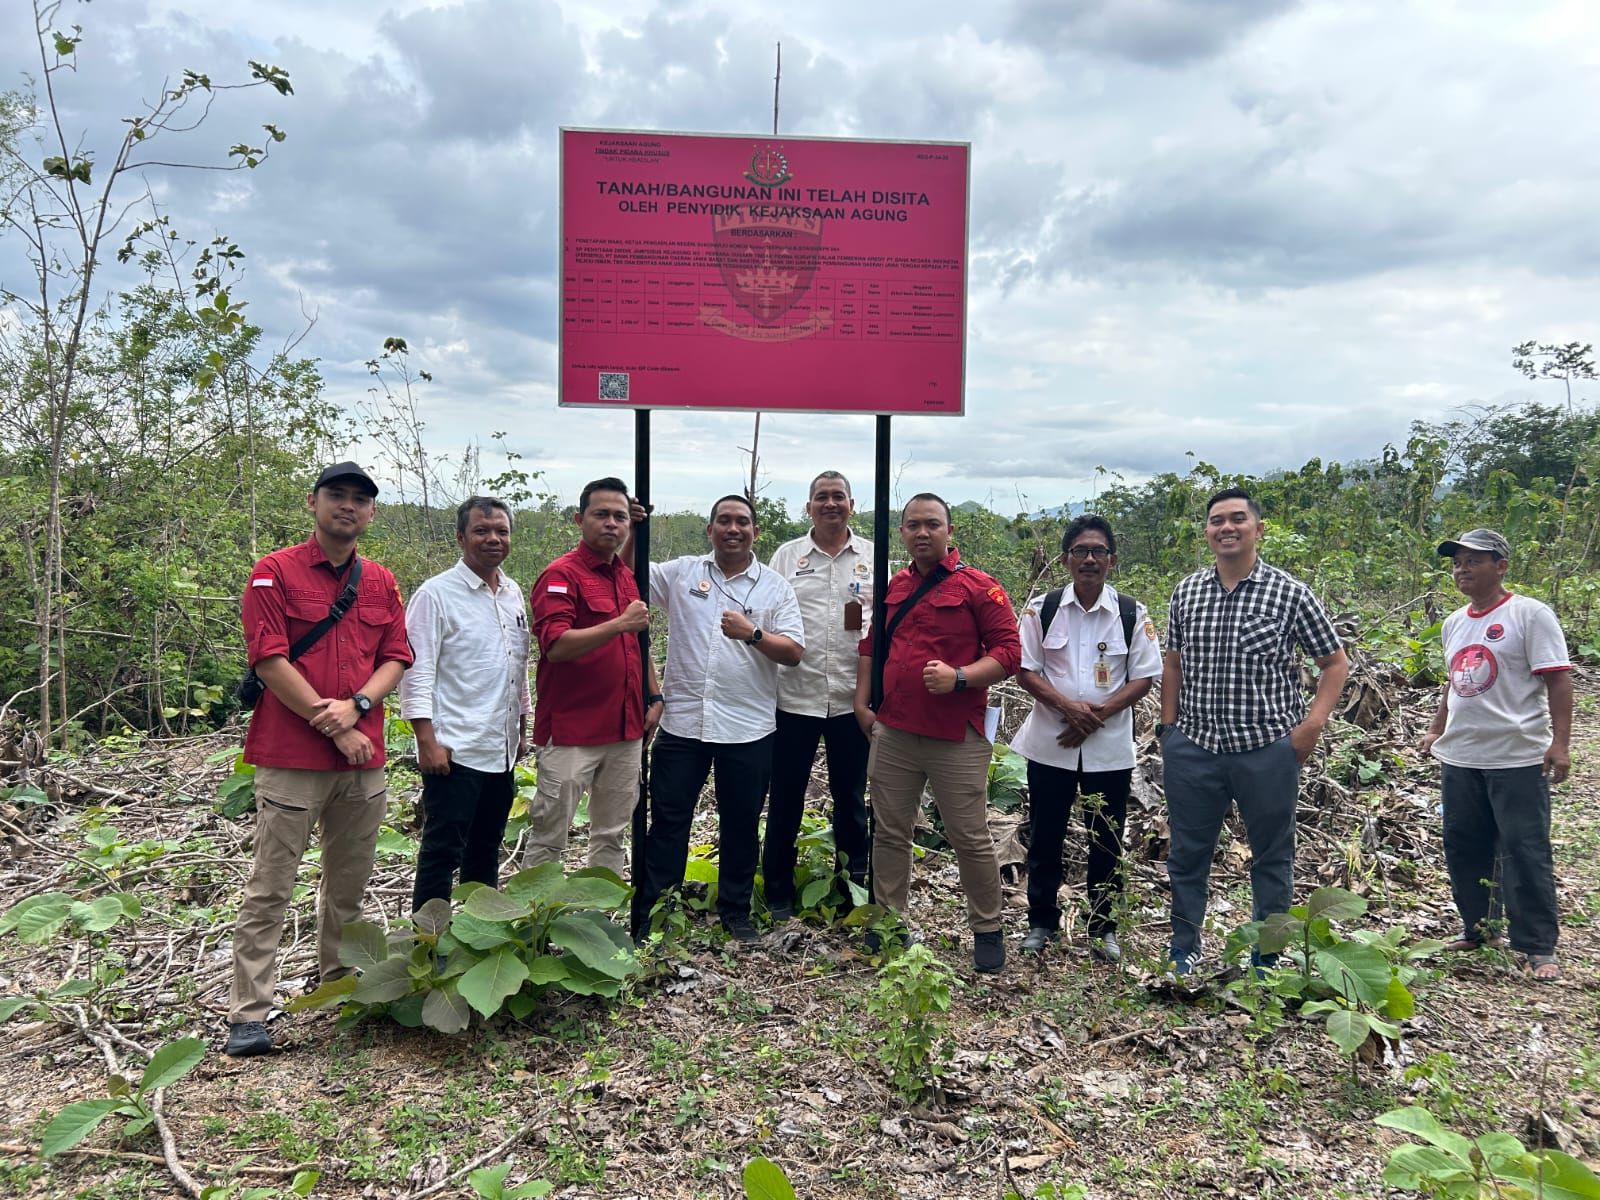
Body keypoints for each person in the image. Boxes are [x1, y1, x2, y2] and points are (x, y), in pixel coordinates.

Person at [225, 462, 412, 1057]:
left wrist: (358, 706)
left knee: (349, 886)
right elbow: (269, 660)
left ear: (372, 512)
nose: (348, 507)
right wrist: (332, 725)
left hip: (364, 756)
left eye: (360, 499)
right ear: (313, 502)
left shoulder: (380, 581)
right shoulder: (274, 572)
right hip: (292, 757)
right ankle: (250, 1012)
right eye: (337, 496)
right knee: (270, 886)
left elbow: (396, 655)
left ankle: (338, 987)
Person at [1158, 487, 1348, 975]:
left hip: (1267, 747)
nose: (1227, 527)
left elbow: (1333, 662)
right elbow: (1173, 663)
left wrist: (1311, 725)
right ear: (1206, 532)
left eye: (1237, 519)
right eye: (1217, 520)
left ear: (1258, 528)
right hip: (1195, 746)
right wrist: (1169, 728)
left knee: (1271, 854)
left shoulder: (1289, 593)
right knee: (1187, 853)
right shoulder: (1188, 591)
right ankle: (1184, 947)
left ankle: (1267, 955)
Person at [853, 493, 1021, 972]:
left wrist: (961, 677)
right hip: (896, 731)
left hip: (956, 736)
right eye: (912, 525)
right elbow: (871, 645)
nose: (922, 533)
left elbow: (1009, 652)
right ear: (902, 532)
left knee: (969, 835)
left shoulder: (978, 587)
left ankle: (987, 929)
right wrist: (861, 702)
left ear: (950, 531)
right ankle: (888, 923)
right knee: (890, 832)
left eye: (932, 524)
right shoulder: (895, 586)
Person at [628, 494, 805, 941]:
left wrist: (754, 634)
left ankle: (735, 911)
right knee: (668, 822)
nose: (733, 529)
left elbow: (794, 652)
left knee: (741, 825)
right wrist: (633, 530)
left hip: (747, 728)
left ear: (755, 532)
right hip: (683, 725)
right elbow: (630, 578)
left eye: (742, 522)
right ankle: (655, 913)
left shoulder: (774, 587)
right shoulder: (683, 572)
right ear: (709, 530)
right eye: (723, 521)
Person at [1418, 528, 1569, 983]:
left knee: (1525, 848)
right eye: (1457, 562)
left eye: (1473, 561)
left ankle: (1538, 945)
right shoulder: (1454, 622)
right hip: (1462, 754)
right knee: (1465, 843)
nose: (1462, 569)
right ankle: (1481, 928)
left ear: (1500, 566)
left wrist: (1559, 744)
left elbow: (1558, 680)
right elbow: (1455, 680)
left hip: (1517, 753)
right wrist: (1436, 727)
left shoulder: (1530, 615)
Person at [1014, 515, 1161, 962]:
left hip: (1108, 748)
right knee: (1045, 836)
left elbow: (1144, 676)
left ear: (1112, 560)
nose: (1090, 559)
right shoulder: (1043, 609)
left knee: (1107, 840)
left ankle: (1104, 929)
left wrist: (1097, 714)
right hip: (1050, 745)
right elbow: (1025, 669)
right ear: (1065, 559)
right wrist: (1068, 708)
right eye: (1081, 551)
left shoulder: (1132, 614)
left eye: (1098, 551)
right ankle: (1041, 922)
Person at [400, 497, 531, 911]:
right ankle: (430, 945)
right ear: (461, 537)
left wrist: (521, 727)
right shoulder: (436, 595)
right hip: (455, 747)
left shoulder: (512, 594)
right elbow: (415, 670)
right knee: (442, 851)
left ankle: (479, 933)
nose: (493, 539)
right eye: (481, 531)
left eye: (502, 531)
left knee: (486, 847)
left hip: (501, 747)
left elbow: (518, 663)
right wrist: (426, 738)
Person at [527, 477, 663, 877]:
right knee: (551, 832)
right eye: (601, 514)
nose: (611, 523)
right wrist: (618, 623)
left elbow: (638, 646)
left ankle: (597, 920)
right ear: (579, 519)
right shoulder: (560, 575)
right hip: (572, 732)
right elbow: (556, 645)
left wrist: (654, 697)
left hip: (624, 732)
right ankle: (535, 928)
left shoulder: (624, 575)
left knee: (611, 833)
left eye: (619, 517)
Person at [763, 470, 873, 918]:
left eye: (839, 497)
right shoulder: (787, 556)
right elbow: (767, 617)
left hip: (852, 699)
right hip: (794, 696)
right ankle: (777, 893)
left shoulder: (872, 556)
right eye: (821, 497)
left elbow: (879, 627)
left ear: (852, 504)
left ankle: (853, 894)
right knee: (786, 798)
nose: (831, 504)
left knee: (851, 801)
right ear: (808, 506)